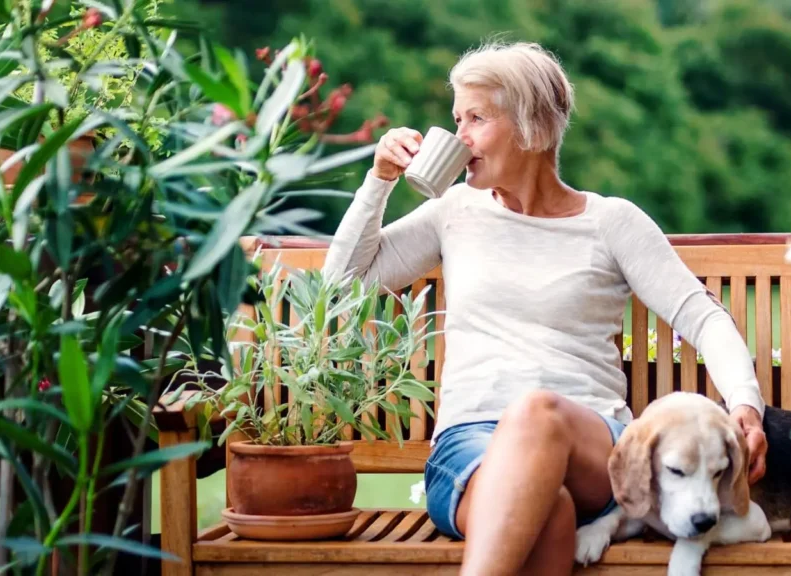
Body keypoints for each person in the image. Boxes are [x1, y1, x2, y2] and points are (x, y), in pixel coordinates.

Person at [323, 40, 767, 576]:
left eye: (476, 119)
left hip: (589, 446)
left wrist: (745, 405)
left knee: (536, 412)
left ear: (531, 127)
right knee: (550, 515)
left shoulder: (611, 223)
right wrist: (379, 181)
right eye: (456, 119)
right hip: (468, 446)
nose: (458, 137)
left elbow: (702, 315)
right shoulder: (454, 211)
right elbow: (341, 285)